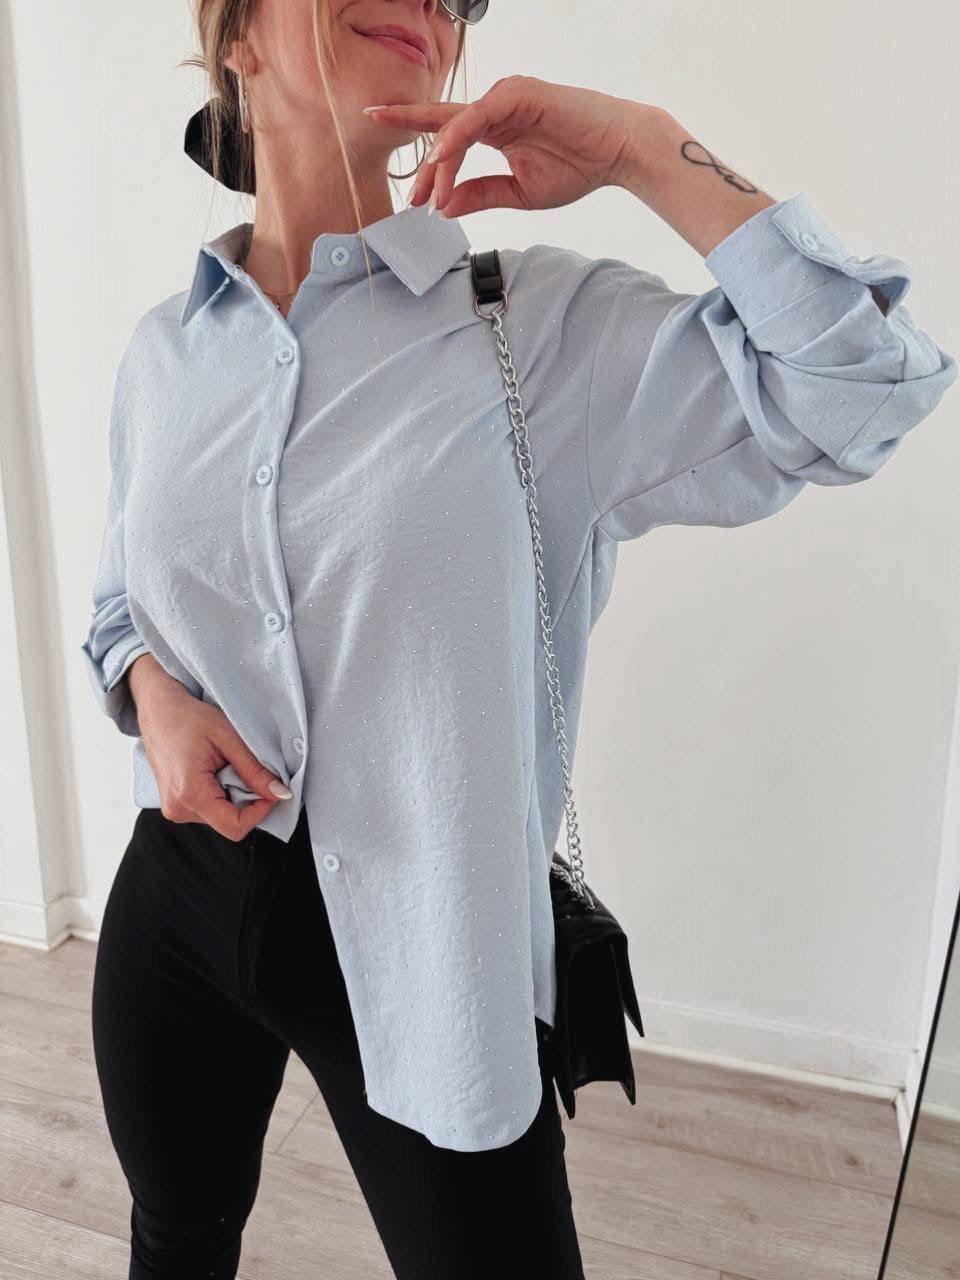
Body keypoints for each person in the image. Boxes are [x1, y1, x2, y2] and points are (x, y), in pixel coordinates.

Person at [81, 1, 958, 1277]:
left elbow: (866, 386)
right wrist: (151, 694)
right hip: (178, 896)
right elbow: (119, 600)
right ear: (237, 36)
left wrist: (644, 149)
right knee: (177, 1235)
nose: (435, 1)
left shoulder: (532, 331)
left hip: (431, 942)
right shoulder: (165, 351)